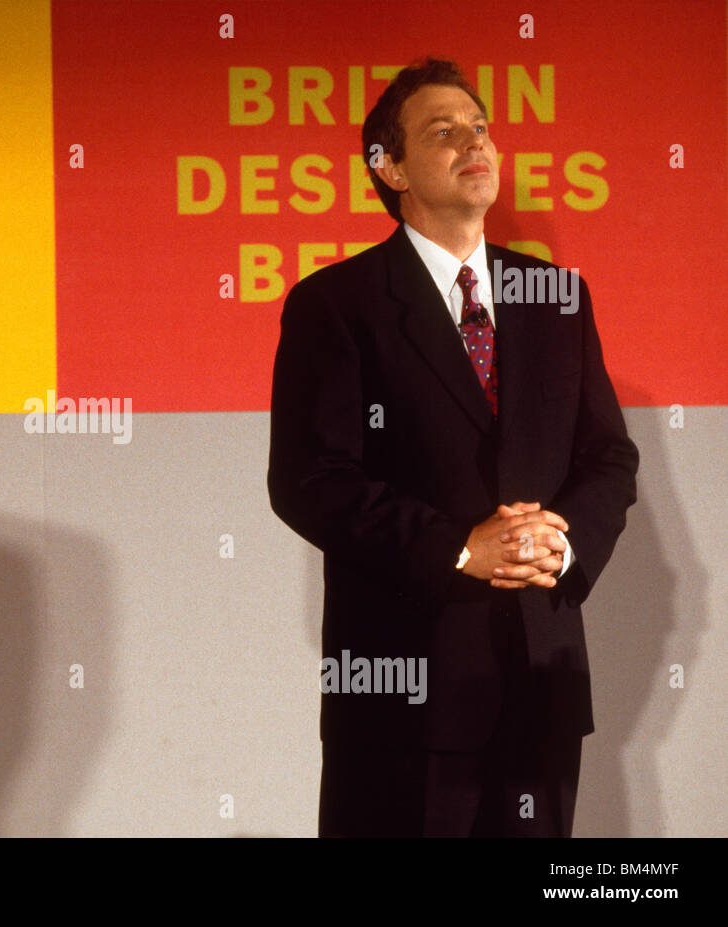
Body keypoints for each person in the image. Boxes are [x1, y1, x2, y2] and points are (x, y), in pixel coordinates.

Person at [267, 58, 639, 837]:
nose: (474, 143)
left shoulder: (558, 297)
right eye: (443, 132)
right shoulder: (337, 304)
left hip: (541, 686)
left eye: (480, 128)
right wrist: (459, 549)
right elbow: (310, 478)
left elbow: (609, 458)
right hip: (404, 699)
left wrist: (561, 545)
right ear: (389, 166)